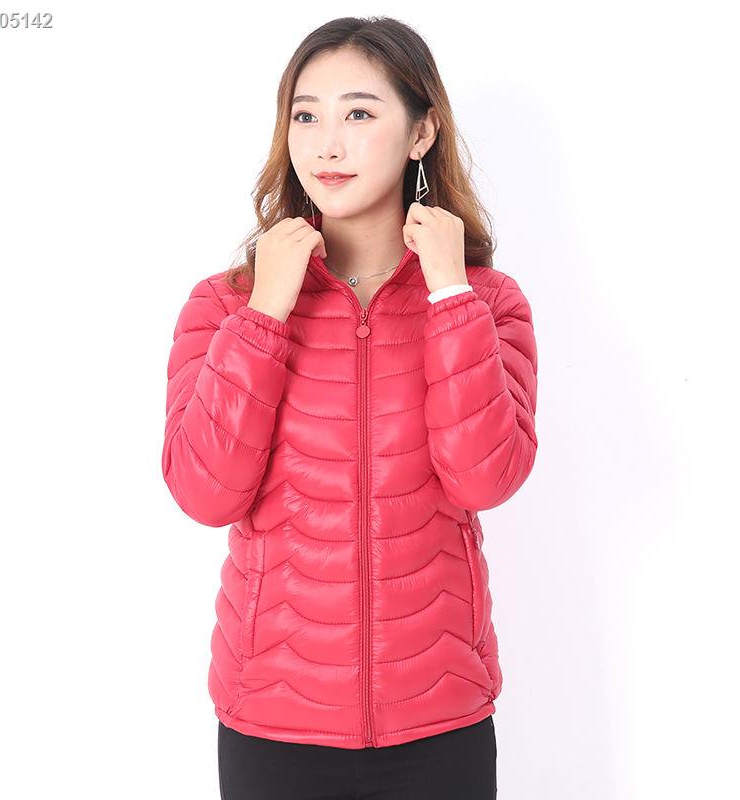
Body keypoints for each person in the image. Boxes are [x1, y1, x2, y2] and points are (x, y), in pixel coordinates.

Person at [161, 16, 538, 800]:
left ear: (422, 131)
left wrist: (449, 295)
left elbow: (484, 480)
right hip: (271, 724)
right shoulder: (226, 305)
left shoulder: (485, 302)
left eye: (359, 113)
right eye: (306, 116)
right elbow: (204, 493)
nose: (326, 144)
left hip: (439, 725)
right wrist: (266, 313)